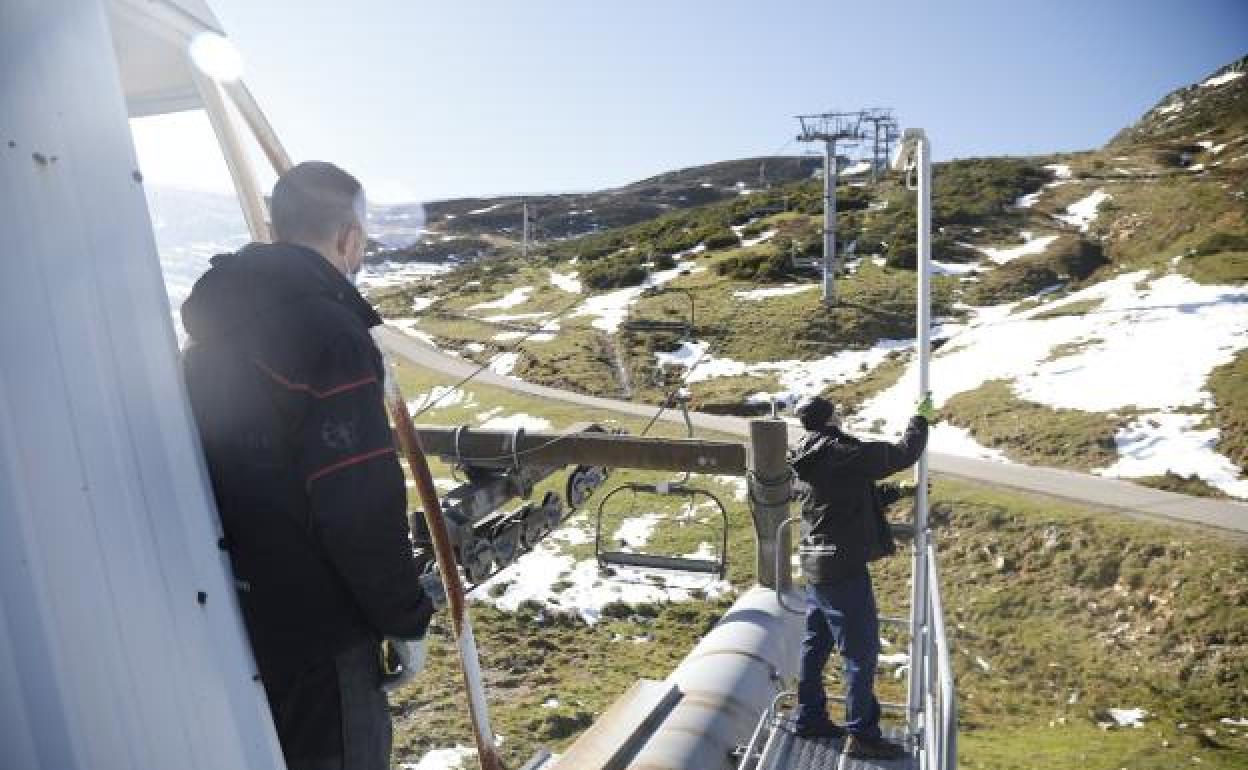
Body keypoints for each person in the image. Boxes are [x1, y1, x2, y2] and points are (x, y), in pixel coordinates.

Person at [182, 161, 440, 770]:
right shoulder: (331, 335)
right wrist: (403, 617)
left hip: (236, 610)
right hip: (323, 633)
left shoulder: (211, 330)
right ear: (350, 237)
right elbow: (358, 502)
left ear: (275, 228)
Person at [787, 393, 933, 760]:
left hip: (817, 563)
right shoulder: (839, 450)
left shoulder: (807, 455)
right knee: (861, 653)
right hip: (843, 570)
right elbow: (901, 454)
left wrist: (893, 493)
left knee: (815, 645)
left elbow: (840, 499)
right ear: (831, 419)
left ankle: (809, 716)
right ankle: (863, 735)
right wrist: (920, 419)